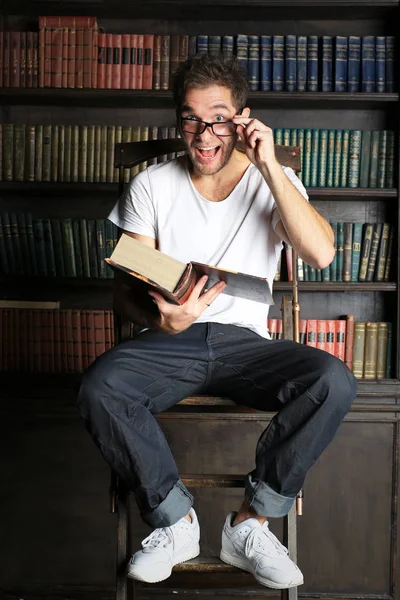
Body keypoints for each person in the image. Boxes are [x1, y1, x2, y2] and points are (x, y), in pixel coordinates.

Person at [77, 53, 357, 590]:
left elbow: (320, 254)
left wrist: (270, 165)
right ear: (178, 120)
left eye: (219, 118)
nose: (204, 135)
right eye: (190, 118)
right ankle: (175, 520)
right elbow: (131, 282)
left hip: (248, 346)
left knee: (333, 381)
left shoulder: (274, 180)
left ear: (242, 119)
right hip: (169, 343)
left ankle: (249, 525)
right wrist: (167, 318)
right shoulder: (151, 186)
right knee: (99, 387)